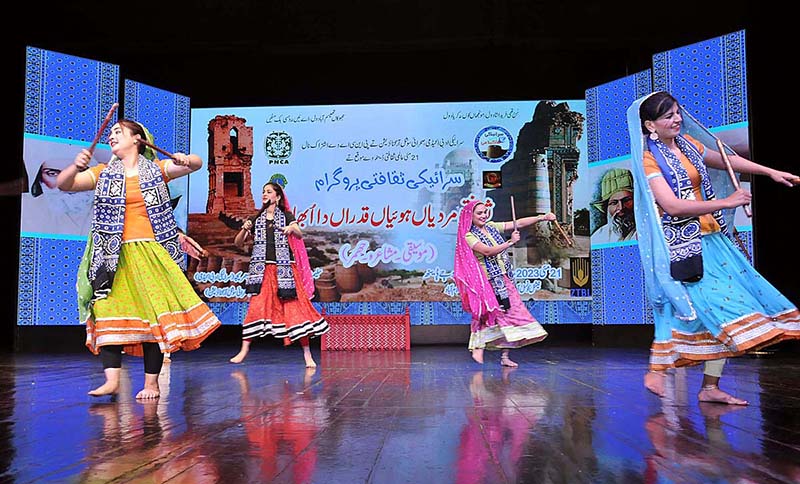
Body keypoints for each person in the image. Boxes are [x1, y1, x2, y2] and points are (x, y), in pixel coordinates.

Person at [627, 91, 800, 405]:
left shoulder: (688, 147)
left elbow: (727, 160)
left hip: (714, 239)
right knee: (690, 307)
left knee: (723, 309)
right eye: (668, 116)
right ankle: (657, 368)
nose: (677, 120)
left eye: (678, 113)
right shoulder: (647, 159)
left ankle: (709, 387)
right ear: (650, 125)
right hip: (681, 245)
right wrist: (728, 201)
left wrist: (769, 172)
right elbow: (671, 206)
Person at [57, 119, 221, 399]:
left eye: (118, 132)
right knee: (106, 308)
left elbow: (196, 163)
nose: (111, 136)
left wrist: (185, 158)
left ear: (138, 139)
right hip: (111, 254)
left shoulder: (156, 171)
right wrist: (76, 166)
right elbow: (65, 184)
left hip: (149, 253)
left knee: (151, 318)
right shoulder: (103, 173)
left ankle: (151, 383)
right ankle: (111, 380)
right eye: (110, 133)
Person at [229, 182, 330, 367]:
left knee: (295, 310)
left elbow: (299, 234)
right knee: (256, 307)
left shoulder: (286, 215)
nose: (264, 194)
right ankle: (244, 350)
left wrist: (292, 229)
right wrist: (244, 228)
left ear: (278, 196)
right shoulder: (256, 217)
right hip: (262, 271)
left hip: (284, 270)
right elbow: (237, 243)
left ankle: (307, 354)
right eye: (263, 191)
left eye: (268, 191)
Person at [453, 199, 552, 366]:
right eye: (479, 213)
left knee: (510, 314)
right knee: (491, 314)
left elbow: (518, 223)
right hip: (489, 282)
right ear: (470, 215)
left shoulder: (492, 226)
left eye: (485, 212)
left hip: (504, 278)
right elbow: (487, 251)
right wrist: (510, 242)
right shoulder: (469, 235)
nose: (484, 215)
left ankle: (504, 356)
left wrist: (542, 217)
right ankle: (478, 346)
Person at [591, 168, 637, 243]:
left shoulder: (647, 229)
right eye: (614, 203)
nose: (621, 208)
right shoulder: (598, 236)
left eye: (626, 200)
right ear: (607, 208)